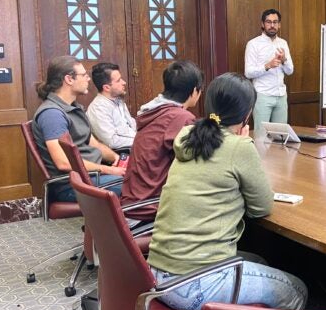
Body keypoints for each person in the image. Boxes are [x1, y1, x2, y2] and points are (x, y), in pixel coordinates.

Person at [148, 72, 307, 310]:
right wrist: (241, 143)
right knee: (296, 289)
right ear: (247, 114)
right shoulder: (238, 147)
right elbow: (262, 207)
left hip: (157, 275)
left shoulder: (190, 137)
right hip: (195, 284)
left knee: (259, 260)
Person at [32, 56, 124, 202]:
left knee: (143, 177)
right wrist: (109, 169)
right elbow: (63, 162)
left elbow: (94, 144)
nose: (88, 79)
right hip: (72, 185)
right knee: (138, 185)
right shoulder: (52, 114)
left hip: (91, 176)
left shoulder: (74, 107)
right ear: (69, 79)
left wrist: (118, 159)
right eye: (84, 75)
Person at [120, 60, 203, 221]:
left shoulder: (153, 111)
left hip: (131, 203)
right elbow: (197, 165)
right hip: (150, 208)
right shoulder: (181, 117)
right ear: (194, 91)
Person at [244, 9, 294, 134]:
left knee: (281, 137)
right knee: (261, 137)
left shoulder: (283, 43)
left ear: (279, 24)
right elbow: (248, 72)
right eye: (268, 22)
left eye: (275, 22)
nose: (272, 25)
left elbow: (290, 71)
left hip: (281, 96)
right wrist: (267, 66)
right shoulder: (253, 44)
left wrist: (284, 60)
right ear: (262, 24)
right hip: (262, 95)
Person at [86, 62, 136, 149]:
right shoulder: (98, 108)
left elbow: (131, 126)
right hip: (120, 153)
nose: (124, 82)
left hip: (135, 146)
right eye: (118, 80)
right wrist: (141, 140)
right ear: (107, 88)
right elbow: (112, 141)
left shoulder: (118, 100)